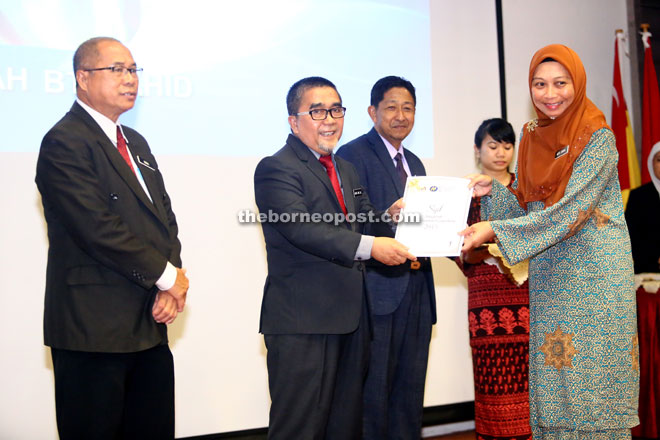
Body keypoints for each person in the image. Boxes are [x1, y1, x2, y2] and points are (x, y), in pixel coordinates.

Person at [460, 44, 639, 439]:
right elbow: (528, 208)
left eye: (561, 83)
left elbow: (569, 213)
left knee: (592, 393)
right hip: (552, 278)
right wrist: (494, 193)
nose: (549, 93)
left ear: (577, 83)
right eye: (539, 84)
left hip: (594, 278)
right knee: (555, 395)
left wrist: (493, 231)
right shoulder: (531, 136)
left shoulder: (598, 137)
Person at [35, 37, 189, 440]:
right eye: (117, 69)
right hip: (94, 329)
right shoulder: (64, 141)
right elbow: (97, 228)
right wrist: (167, 277)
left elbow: (163, 219)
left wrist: (170, 282)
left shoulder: (134, 143)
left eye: (134, 70)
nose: (130, 80)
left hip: (148, 319)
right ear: (82, 78)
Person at [254, 76, 416, 440]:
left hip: (353, 319)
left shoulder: (345, 168)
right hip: (303, 323)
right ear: (294, 121)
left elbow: (363, 217)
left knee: (345, 427)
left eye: (337, 110)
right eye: (317, 111)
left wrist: (389, 217)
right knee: (299, 428)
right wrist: (371, 246)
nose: (330, 119)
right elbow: (304, 229)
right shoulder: (275, 168)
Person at [336, 76, 436, 440]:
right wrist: (387, 216)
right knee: (373, 393)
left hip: (418, 288)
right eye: (391, 107)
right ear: (372, 111)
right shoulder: (352, 155)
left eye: (408, 108)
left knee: (410, 390)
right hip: (377, 290)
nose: (400, 115)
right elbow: (350, 218)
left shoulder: (416, 163)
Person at [455, 118, 532, 440]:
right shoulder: (465, 194)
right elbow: (453, 246)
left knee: (532, 381)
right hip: (486, 299)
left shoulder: (526, 189)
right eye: (492, 145)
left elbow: (539, 234)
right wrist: (476, 253)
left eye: (507, 145)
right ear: (477, 150)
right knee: (492, 379)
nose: (501, 153)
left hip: (528, 298)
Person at [625, 141, 660, 274]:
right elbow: (631, 236)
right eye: (659, 160)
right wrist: (653, 258)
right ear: (651, 163)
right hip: (647, 271)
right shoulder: (638, 197)